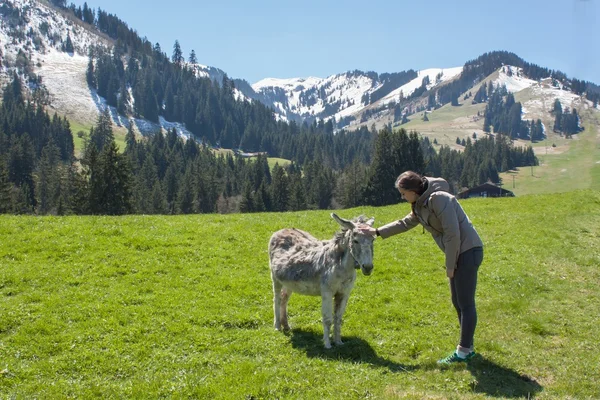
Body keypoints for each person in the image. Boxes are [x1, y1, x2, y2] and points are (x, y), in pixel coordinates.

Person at [359, 171, 484, 365]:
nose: (402, 197)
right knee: (457, 301)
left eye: (403, 193)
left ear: (413, 190)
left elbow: (453, 235)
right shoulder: (420, 204)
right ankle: (467, 346)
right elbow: (405, 223)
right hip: (458, 252)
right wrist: (376, 231)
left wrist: (450, 266)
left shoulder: (439, 199)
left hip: (468, 251)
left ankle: (464, 351)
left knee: (466, 303)